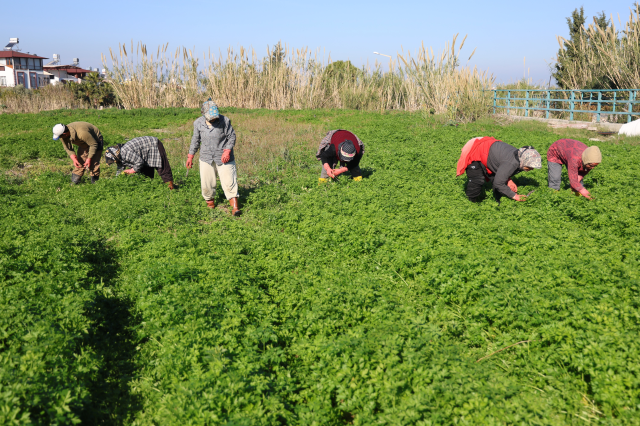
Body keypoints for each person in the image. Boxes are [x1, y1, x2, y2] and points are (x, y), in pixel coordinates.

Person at [187, 100, 240, 216]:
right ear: (203, 114)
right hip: (206, 157)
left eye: (215, 117)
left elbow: (232, 137)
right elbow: (195, 140)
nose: (214, 119)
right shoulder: (198, 123)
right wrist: (190, 156)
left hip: (224, 157)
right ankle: (210, 207)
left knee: (229, 181)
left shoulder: (224, 121)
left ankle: (235, 208)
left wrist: (227, 151)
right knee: (207, 184)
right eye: (211, 118)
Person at [456, 136, 541, 202]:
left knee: (497, 180)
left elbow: (503, 167)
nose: (531, 169)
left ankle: (497, 202)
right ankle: (470, 202)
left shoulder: (520, 157)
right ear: (525, 161)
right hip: (475, 149)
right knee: (477, 180)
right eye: (530, 166)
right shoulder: (512, 163)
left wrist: (508, 180)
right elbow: (499, 182)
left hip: (489, 151)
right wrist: (515, 196)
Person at [104, 136, 174, 189]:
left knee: (162, 168)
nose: (114, 162)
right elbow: (120, 169)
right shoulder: (118, 156)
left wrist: (131, 170)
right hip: (144, 151)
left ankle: (170, 190)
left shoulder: (124, 153)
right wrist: (116, 182)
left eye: (113, 160)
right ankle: (150, 190)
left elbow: (139, 162)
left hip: (153, 144)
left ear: (115, 156)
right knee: (145, 174)